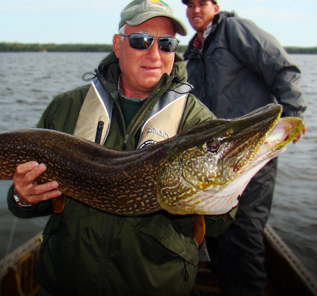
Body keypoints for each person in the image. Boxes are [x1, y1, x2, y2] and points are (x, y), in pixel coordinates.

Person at [7, 1, 238, 295]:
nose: (155, 54)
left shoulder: (198, 123)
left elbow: (217, 226)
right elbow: (35, 200)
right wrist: (22, 197)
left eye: (167, 44)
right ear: (118, 45)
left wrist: (218, 196)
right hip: (65, 282)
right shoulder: (67, 107)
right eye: (141, 41)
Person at [181, 0, 307, 295]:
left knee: (244, 233)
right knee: (217, 232)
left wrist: (292, 115)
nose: (195, 10)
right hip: (216, 162)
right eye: (189, 5)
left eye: (202, 3)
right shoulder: (194, 51)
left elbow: (283, 69)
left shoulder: (234, 30)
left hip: (250, 155)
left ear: (215, 6)